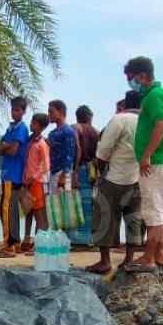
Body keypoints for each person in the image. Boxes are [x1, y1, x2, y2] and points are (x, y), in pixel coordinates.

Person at [122, 56, 163, 273]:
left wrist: (146, 156)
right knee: (157, 210)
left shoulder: (154, 96)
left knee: (153, 213)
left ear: (142, 76)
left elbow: (160, 125)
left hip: (156, 162)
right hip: (159, 160)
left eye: (131, 78)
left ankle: (149, 258)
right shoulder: (155, 95)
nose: (130, 82)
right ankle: (160, 255)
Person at [87, 90, 143, 274]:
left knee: (105, 216)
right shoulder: (147, 122)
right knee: (133, 218)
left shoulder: (119, 119)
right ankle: (129, 260)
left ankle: (105, 261)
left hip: (114, 177)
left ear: (125, 103)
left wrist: (100, 170)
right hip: (137, 177)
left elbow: (103, 150)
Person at [0, 96, 30, 258]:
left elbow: (13, 150)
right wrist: (4, 147)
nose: (14, 112)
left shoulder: (21, 129)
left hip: (13, 173)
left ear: (23, 111)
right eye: (13, 109)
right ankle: (13, 241)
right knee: (9, 208)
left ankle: (9, 246)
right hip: (6, 173)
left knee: (7, 209)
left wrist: (5, 147)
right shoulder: (10, 128)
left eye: (17, 110)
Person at [69, 105, 100, 248]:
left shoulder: (75, 128)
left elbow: (76, 149)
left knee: (75, 204)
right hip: (91, 170)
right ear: (89, 117)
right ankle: (87, 238)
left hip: (79, 169)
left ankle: (76, 239)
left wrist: (74, 171)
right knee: (87, 205)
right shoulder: (96, 131)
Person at [23, 113, 51, 239]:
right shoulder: (29, 141)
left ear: (40, 127)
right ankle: (27, 239)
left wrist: (33, 177)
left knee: (39, 213)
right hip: (26, 182)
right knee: (28, 211)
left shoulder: (42, 143)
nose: (31, 124)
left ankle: (38, 244)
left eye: (33, 123)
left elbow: (46, 165)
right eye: (31, 122)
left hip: (36, 182)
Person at [47, 100, 78, 192]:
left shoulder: (68, 131)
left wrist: (64, 175)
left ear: (60, 112)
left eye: (51, 111)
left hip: (62, 173)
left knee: (63, 203)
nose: (49, 114)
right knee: (53, 204)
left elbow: (69, 155)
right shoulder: (52, 133)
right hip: (52, 172)